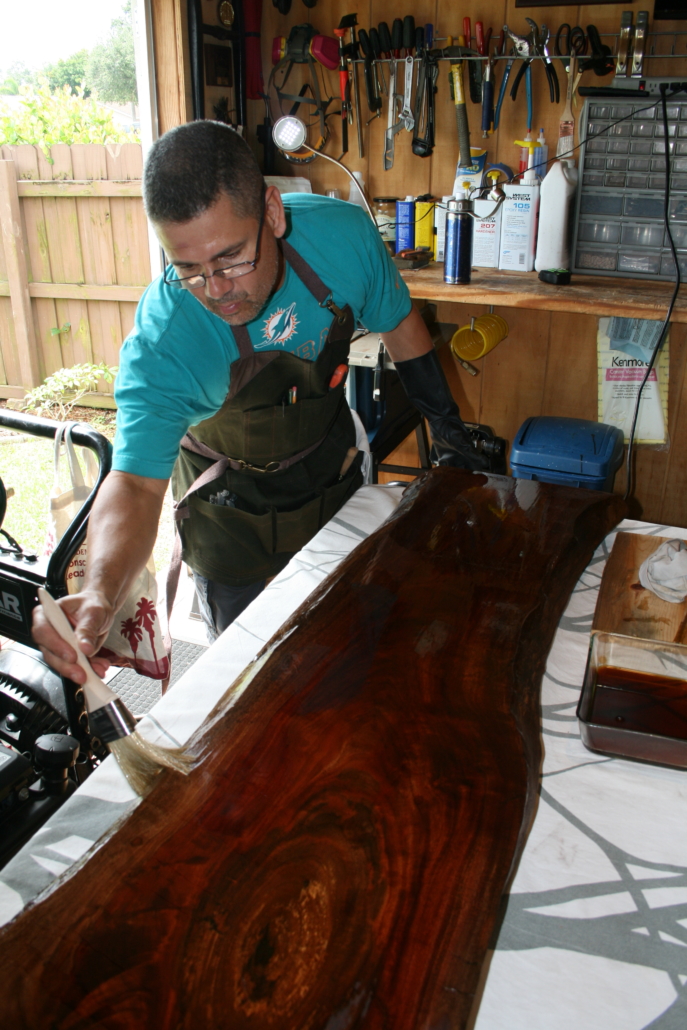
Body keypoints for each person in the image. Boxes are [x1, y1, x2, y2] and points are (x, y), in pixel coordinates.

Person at [33, 120, 486, 681]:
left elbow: (400, 325)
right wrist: (100, 592)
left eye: (231, 258)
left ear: (272, 213)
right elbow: (135, 484)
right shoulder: (169, 338)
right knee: (253, 683)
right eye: (188, 269)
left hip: (329, 478)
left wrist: (449, 434)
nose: (216, 289)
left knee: (355, 649)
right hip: (229, 518)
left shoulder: (342, 240)